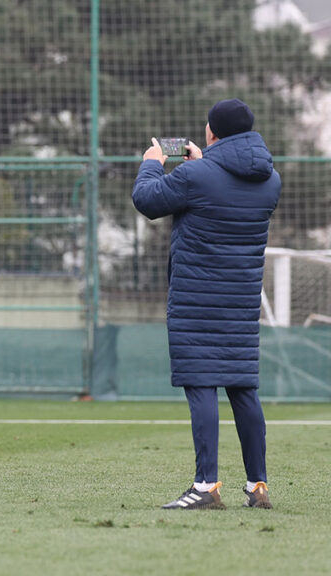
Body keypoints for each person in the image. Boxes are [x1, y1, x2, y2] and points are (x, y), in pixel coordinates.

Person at [132, 98, 280, 510]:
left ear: (212, 131)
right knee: (243, 389)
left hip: (196, 300)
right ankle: (258, 487)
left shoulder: (196, 174)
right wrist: (205, 161)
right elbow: (225, 191)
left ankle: (206, 486)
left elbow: (146, 200)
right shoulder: (272, 180)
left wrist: (153, 161)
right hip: (241, 303)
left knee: (201, 386)